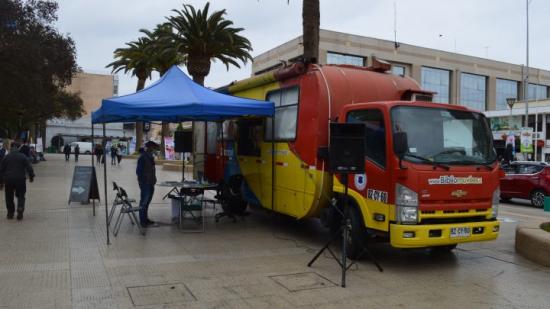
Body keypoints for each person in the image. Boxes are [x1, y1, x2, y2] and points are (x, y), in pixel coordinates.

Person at [0, 142, 35, 220]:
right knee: (21, 195)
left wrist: (1, 182)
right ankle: (20, 208)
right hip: (20, 179)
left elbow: (1, 170)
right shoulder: (23, 157)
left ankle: (10, 213)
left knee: (9, 196)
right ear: (18, 148)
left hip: (8, 179)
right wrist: (31, 176)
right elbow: (29, 167)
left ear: (11, 148)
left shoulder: (6, 157)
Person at [136, 141, 158, 228]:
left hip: (151, 183)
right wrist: (144, 180)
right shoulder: (143, 157)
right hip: (146, 183)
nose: (154, 149)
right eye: (153, 147)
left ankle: (145, 219)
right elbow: (138, 171)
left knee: (147, 202)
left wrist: (153, 178)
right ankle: (142, 221)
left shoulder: (150, 156)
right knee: (144, 202)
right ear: (149, 147)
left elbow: (152, 169)